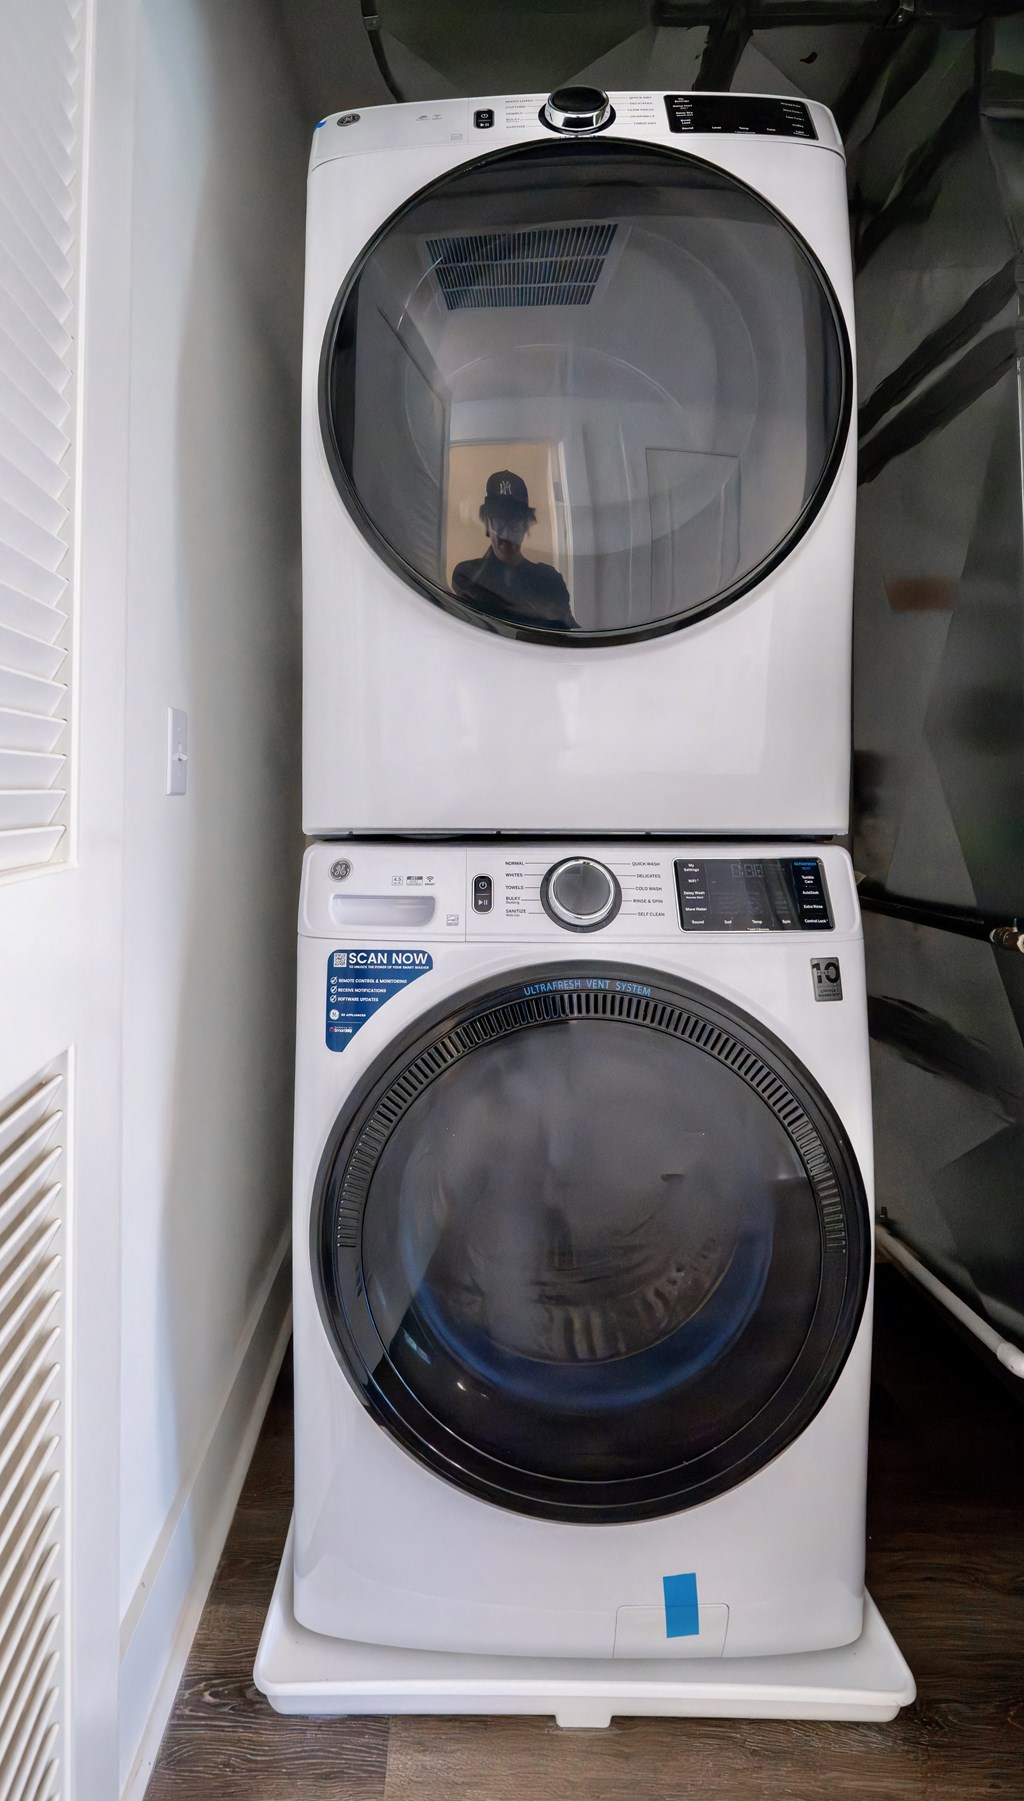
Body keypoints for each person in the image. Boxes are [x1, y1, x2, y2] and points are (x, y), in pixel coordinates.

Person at [451, 471, 575, 630]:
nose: (506, 535)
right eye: (498, 522)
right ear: (488, 525)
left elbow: (569, 637)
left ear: (526, 526)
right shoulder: (465, 577)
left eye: (515, 524)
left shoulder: (551, 581)